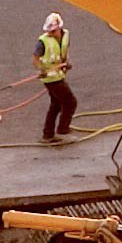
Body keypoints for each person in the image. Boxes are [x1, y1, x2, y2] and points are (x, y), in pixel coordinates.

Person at [35, 12, 76, 144]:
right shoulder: (43, 41)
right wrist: (41, 69)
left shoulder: (65, 36)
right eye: (49, 31)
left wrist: (66, 63)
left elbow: (63, 52)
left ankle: (48, 134)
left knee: (56, 104)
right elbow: (35, 59)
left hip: (58, 75)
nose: (51, 34)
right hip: (50, 78)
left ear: (59, 28)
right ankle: (63, 131)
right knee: (70, 102)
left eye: (53, 31)